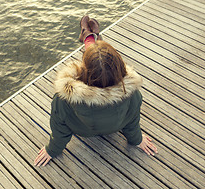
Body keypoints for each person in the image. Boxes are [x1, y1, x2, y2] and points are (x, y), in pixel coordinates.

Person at [34, 15, 158, 167]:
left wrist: (52, 150)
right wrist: (137, 140)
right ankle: (93, 39)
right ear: (121, 68)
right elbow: (132, 121)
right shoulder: (132, 93)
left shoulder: (64, 99)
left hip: (83, 130)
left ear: (83, 72)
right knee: (104, 63)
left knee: (97, 62)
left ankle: (89, 38)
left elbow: (60, 128)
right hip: (115, 126)